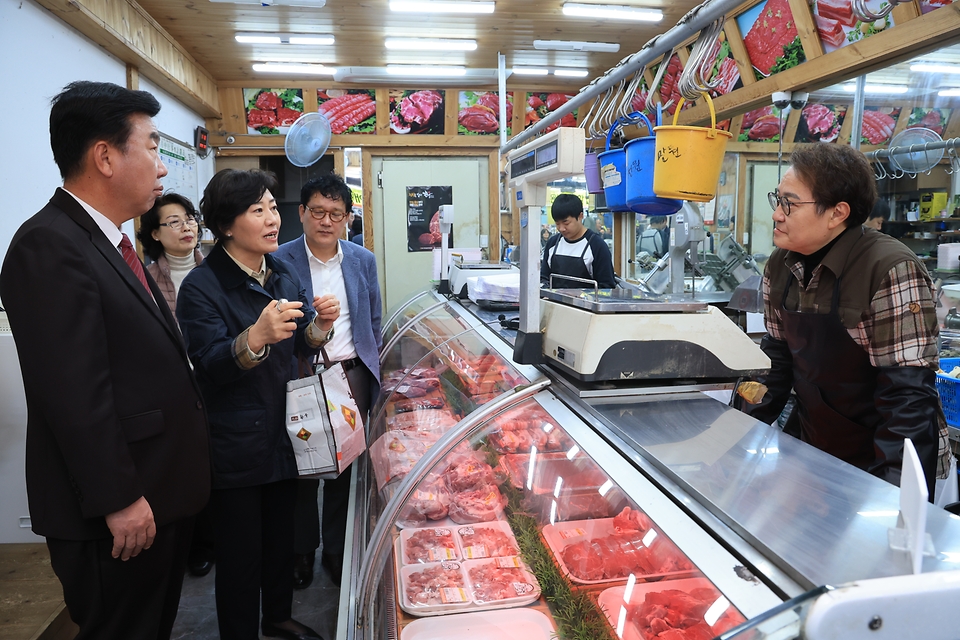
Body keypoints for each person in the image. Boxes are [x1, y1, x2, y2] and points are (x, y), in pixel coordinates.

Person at [0, 81, 210, 639]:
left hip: (155, 492)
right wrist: (119, 499)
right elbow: (72, 394)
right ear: (105, 156)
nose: (163, 169)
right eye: (153, 147)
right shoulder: (49, 245)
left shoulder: (109, 242)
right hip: (116, 513)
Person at [177, 169, 338, 640]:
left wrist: (319, 328)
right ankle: (241, 632)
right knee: (240, 554)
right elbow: (209, 365)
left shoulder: (281, 272)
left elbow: (302, 345)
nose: (272, 219)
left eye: (272, 206)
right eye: (257, 210)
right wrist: (254, 338)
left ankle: (279, 616)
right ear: (227, 224)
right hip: (236, 439)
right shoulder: (202, 287)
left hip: (285, 429)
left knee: (280, 541)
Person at [738, 144, 950, 498]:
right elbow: (775, 362)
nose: (776, 214)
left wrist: (892, 499)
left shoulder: (889, 268)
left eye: (790, 203)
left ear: (837, 213)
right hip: (816, 445)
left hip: (882, 456)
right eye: (778, 199)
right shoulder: (780, 264)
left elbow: (908, 398)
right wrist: (734, 436)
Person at [274, 174, 382, 588]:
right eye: (317, 211)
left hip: (349, 376)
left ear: (347, 218)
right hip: (300, 378)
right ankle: (302, 553)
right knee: (301, 474)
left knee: (343, 472)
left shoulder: (361, 260)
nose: (326, 221)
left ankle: (336, 553)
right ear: (301, 213)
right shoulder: (280, 259)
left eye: (336, 214)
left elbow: (372, 319)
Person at [136, 194, 215, 577]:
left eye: (189, 219)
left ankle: (213, 538)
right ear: (155, 233)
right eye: (173, 221)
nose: (186, 227)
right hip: (172, 387)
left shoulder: (214, 269)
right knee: (183, 466)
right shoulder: (144, 279)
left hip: (213, 379)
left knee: (215, 462)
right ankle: (192, 544)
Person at [541, 193, 616, 289]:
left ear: (580, 216)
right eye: (557, 224)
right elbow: (544, 278)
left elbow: (607, 287)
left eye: (566, 223)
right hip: (554, 303)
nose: (561, 228)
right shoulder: (553, 243)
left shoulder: (597, 246)